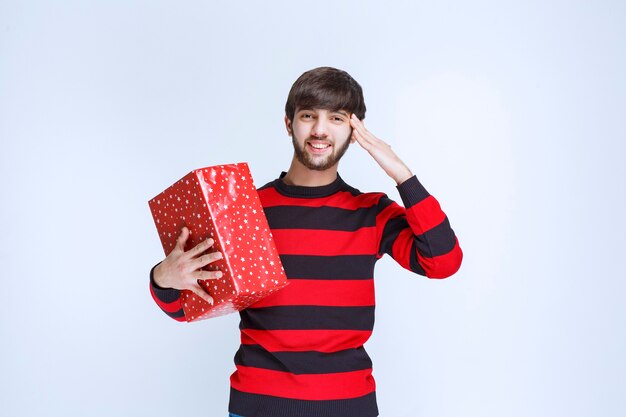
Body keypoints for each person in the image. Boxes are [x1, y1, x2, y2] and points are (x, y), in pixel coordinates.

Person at [149, 66, 463, 417]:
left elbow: (443, 262)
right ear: (288, 124)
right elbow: (185, 308)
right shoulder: (246, 210)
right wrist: (163, 277)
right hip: (258, 406)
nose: (320, 130)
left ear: (355, 130)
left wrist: (401, 173)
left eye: (337, 118)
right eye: (308, 115)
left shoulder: (372, 212)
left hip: (348, 408)